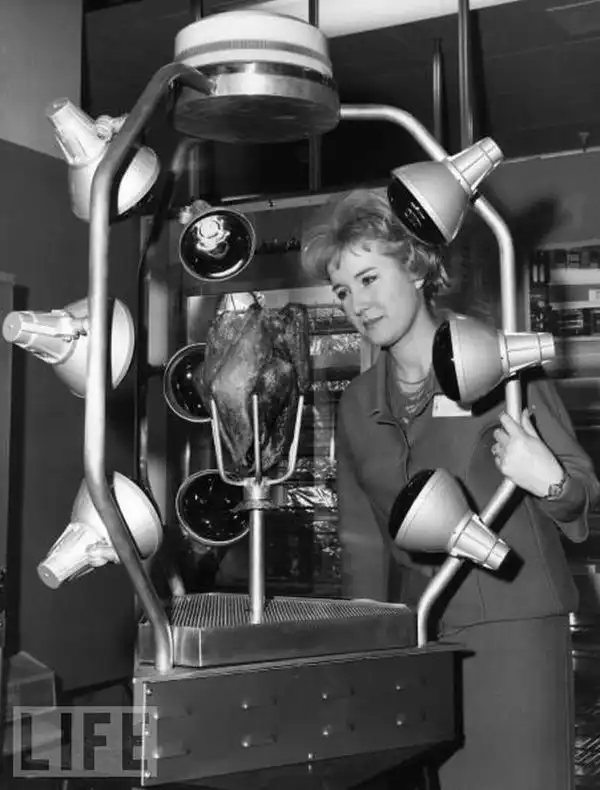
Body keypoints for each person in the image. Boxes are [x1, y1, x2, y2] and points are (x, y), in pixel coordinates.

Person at [301, 188, 600, 790]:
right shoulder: (358, 404)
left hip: (514, 628)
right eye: (343, 291)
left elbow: (582, 495)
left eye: (368, 278)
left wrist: (550, 480)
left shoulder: (498, 360)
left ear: (415, 268)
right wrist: (365, 649)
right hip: (418, 639)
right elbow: (362, 544)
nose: (359, 304)